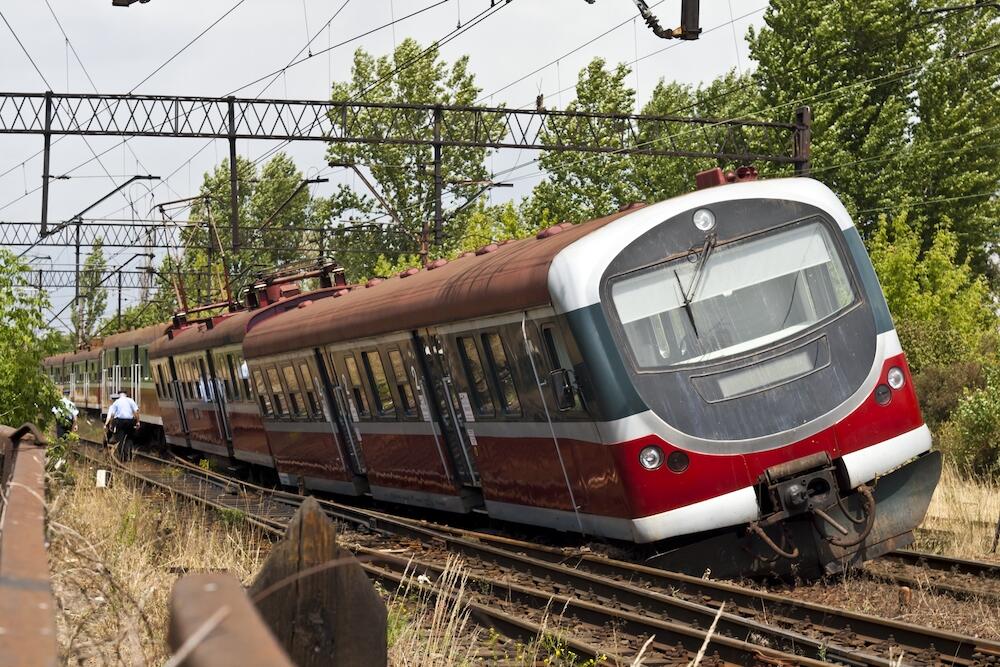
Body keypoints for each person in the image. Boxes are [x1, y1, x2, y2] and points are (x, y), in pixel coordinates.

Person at [105, 388, 140, 459]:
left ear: (119, 395)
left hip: (120, 422)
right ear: (126, 395)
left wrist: (111, 424)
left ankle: (122, 457)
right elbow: (136, 412)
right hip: (130, 421)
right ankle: (129, 456)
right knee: (129, 438)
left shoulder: (116, 402)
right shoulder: (131, 400)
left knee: (120, 439)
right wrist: (138, 422)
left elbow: (112, 415)